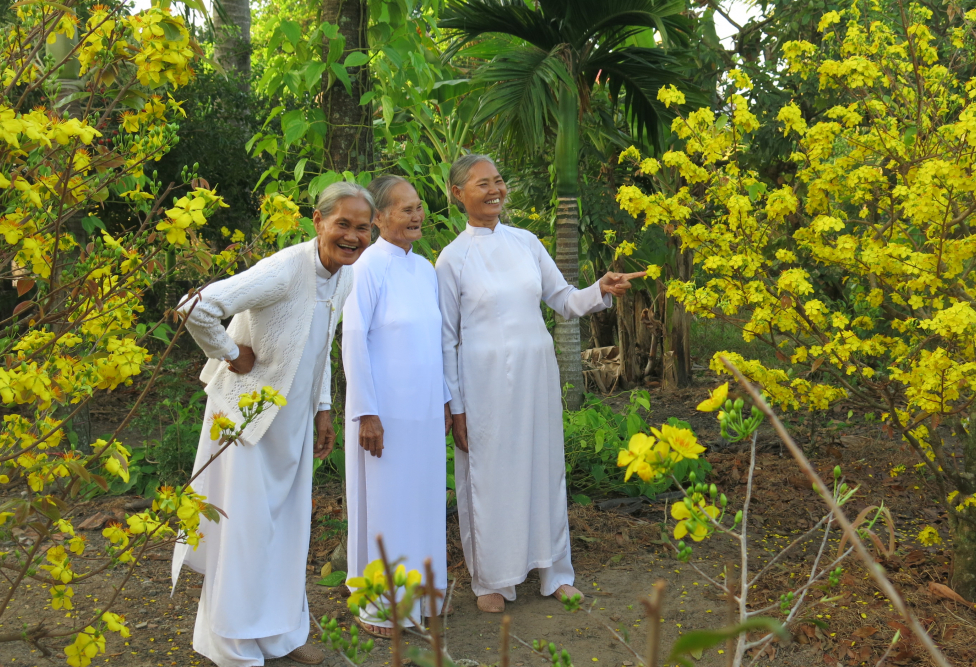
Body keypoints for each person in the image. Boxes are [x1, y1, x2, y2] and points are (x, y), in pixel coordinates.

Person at [170, 182, 375, 667]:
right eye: (342, 224)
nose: (352, 236)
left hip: (293, 425)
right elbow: (194, 306)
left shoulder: (345, 275)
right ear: (318, 221)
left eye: (362, 227)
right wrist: (230, 353)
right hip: (242, 421)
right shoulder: (284, 269)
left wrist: (323, 409)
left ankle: (280, 634)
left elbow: (320, 346)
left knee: (287, 530)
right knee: (242, 530)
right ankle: (232, 644)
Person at [436, 154, 645, 613]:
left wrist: (601, 289)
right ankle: (492, 580)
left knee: (543, 469)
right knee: (488, 476)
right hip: (482, 384)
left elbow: (564, 300)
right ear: (458, 194)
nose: (495, 190)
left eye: (499, 180)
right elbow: (447, 340)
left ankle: (554, 571)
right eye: (482, 183)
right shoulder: (452, 259)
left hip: (536, 377)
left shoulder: (527, 242)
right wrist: (456, 407)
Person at [343, 175, 452, 636]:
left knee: (424, 503)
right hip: (383, 417)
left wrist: (446, 400)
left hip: (425, 416)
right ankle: (381, 605)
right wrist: (367, 411)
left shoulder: (425, 268)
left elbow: (436, 342)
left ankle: (423, 597)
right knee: (387, 507)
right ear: (380, 217)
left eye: (419, 207)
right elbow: (352, 340)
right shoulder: (366, 267)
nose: (416, 216)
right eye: (405, 209)